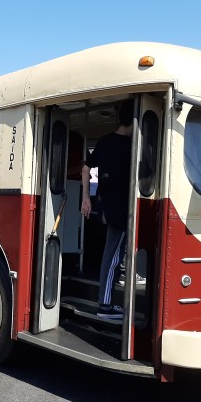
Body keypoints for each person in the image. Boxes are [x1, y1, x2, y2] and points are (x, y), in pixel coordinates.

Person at [81, 100, 136, 319]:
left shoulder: (104, 142)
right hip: (121, 211)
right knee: (112, 257)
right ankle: (105, 306)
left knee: (114, 254)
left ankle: (114, 289)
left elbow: (86, 168)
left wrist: (86, 198)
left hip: (105, 205)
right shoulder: (134, 146)